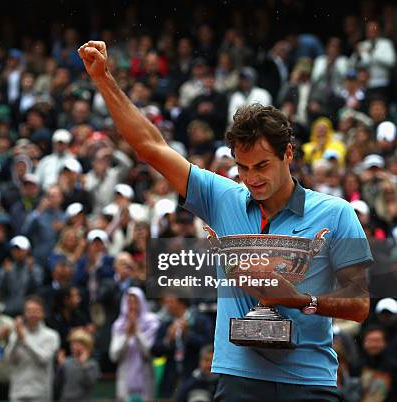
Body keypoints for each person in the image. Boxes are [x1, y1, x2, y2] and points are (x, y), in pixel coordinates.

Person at [78, 40, 372, 401]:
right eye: (243, 168)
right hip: (238, 380)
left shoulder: (337, 212)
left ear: (288, 154)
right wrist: (104, 78)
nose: (252, 178)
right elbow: (150, 146)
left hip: (310, 381)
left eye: (262, 165)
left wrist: (300, 299)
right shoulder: (221, 197)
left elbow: (359, 304)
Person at [5, 295, 60, 402]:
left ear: (43, 313)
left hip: (40, 393)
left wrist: (24, 340)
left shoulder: (51, 335)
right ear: (24, 313)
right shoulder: (16, 333)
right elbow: (9, 359)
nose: (32, 314)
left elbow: (43, 359)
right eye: (29, 311)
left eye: (36, 311)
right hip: (17, 391)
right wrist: (17, 340)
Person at [109, 287, 160, 401]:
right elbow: (114, 356)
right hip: (125, 382)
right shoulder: (119, 325)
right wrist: (127, 336)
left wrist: (137, 333)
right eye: (129, 302)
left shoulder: (152, 322)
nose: (132, 306)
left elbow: (149, 353)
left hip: (146, 380)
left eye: (135, 302)